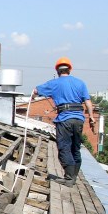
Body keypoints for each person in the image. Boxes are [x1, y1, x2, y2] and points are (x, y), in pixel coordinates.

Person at [31, 57, 96, 185]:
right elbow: (88, 102)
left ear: (58, 71)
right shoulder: (80, 83)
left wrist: (33, 95)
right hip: (78, 119)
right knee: (75, 148)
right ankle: (74, 176)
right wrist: (92, 117)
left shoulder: (54, 83)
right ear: (69, 70)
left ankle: (69, 178)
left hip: (64, 119)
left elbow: (36, 90)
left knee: (64, 147)